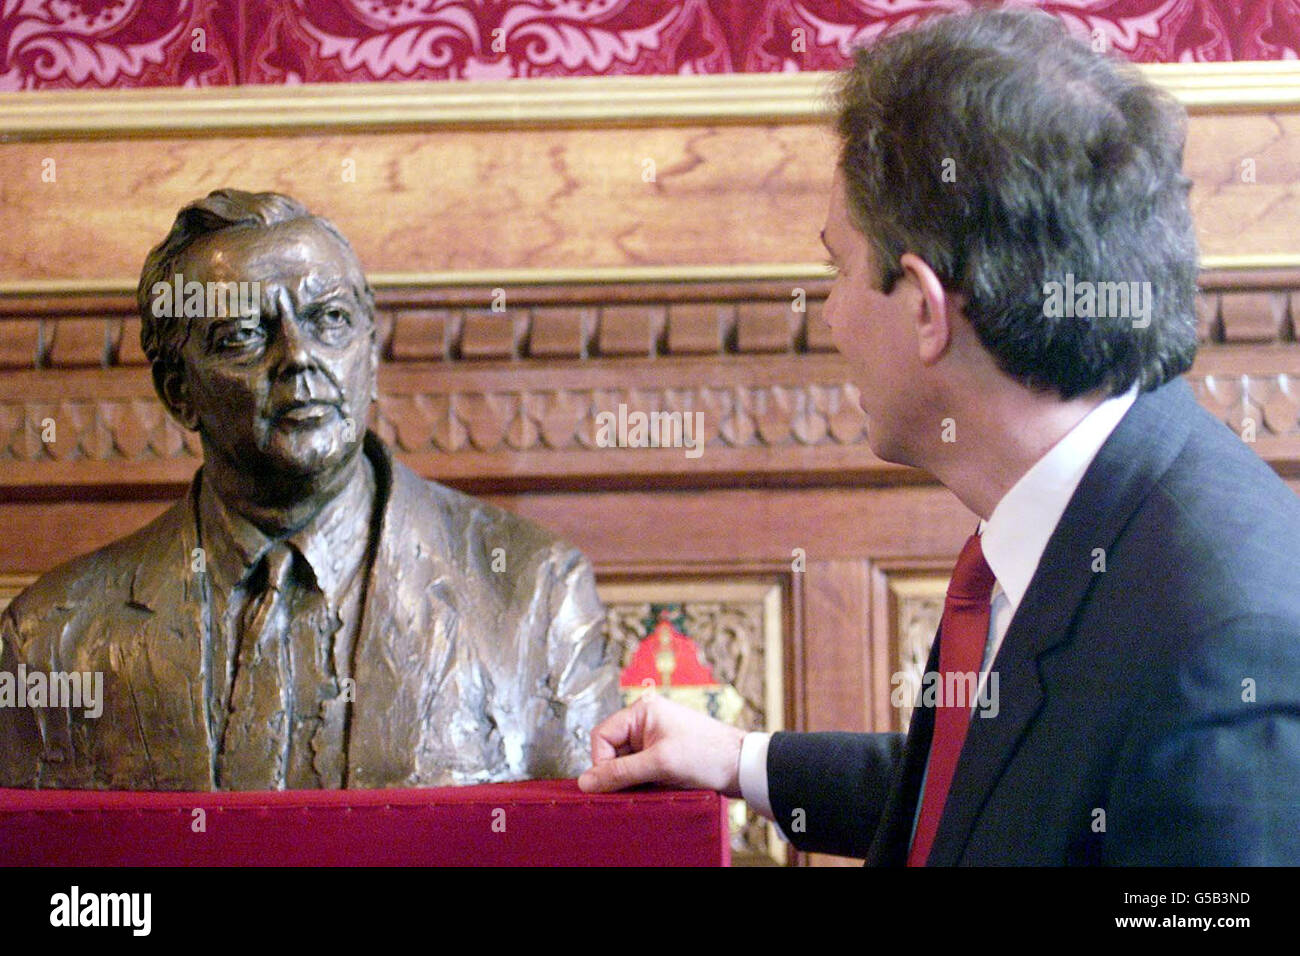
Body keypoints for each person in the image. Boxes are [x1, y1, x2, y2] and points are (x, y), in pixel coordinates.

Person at [578, 8, 1300, 865]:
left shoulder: (1225, 649)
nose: (832, 318)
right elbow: (1011, 789)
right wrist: (741, 761)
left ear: (923, 309)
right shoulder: (1098, 512)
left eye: (836, 269)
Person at [0, 189, 618, 790]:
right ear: (177, 391)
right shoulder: (55, 640)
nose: (298, 357)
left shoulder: (532, 594)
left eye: (330, 320)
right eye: (243, 335)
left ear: (370, 357)